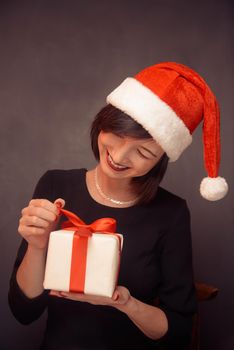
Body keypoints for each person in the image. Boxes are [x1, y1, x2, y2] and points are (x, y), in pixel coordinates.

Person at [8, 62, 228, 350]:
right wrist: (37, 245)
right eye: (118, 134)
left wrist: (126, 304)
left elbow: (179, 331)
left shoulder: (171, 213)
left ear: (158, 162)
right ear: (104, 121)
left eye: (144, 152)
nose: (120, 156)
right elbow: (23, 312)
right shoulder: (55, 186)